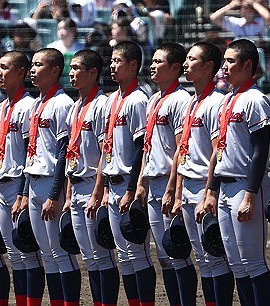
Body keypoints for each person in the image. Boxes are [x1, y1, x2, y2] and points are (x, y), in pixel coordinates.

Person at [205, 38, 270, 306]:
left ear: (248, 65)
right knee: (237, 264)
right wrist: (212, 189)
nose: (224, 67)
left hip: (246, 185)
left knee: (253, 262)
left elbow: (260, 151)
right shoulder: (227, 100)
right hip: (226, 186)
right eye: (224, 61)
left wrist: (250, 194)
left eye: (231, 61)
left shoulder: (255, 98)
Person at [172, 41, 235, 306]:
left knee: (215, 258)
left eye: (191, 59)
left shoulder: (216, 102)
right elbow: (182, 149)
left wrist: (210, 192)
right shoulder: (191, 102)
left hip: (205, 187)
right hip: (188, 185)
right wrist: (176, 193)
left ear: (209, 66)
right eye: (185, 59)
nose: (185, 64)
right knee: (203, 260)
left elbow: (216, 152)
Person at [18, 47, 81, 305]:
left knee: (61, 253)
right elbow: (29, 152)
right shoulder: (36, 104)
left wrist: (55, 194)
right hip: (33, 183)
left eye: (39, 64)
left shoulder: (62, 103)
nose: (33, 69)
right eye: (32, 64)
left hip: (50, 186)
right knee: (48, 254)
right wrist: (23, 192)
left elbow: (63, 152)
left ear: (55, 70)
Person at [134, 42, 192, 306]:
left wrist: (173, 189)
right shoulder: (154, 99)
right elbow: (148, 146)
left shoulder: (181, 99)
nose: (153, 66)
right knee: (165, 257)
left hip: (168, 183)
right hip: (153, 183)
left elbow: (182, 148)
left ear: (176, 68)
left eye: (159, 62)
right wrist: (141, 182)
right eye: (153, 61)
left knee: (178, 253)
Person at [99, 40, 156, 306]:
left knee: (137, 255)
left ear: (133, 65)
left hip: (128, 186)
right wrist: (106, 187)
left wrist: (133, 190)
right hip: (114, 184)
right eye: (111, 61)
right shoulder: (114, 100)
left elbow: (139, 150)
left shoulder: (137, 99)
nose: (112, 66)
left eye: (117, 61)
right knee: (124, 257)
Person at [63, 49, 120, 306]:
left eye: (77, 68)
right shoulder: (75, 106)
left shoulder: (101, 104)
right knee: (89, 258)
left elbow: (104, 152)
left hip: (92, 186)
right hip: (76, 188)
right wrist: (67, 194)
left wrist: (100, 191)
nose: (72, 73)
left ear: (93, 73)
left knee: (102, 257)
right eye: (71, 68)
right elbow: (70, 153)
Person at [0, 50, 44, 306]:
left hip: (20, 186)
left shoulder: (29, 106)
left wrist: (24, 193)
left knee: (28, 253)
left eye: (5, 68)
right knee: (14, 255)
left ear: (21, 72)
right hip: (2, 186)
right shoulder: (0, 108)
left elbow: (30, 151)